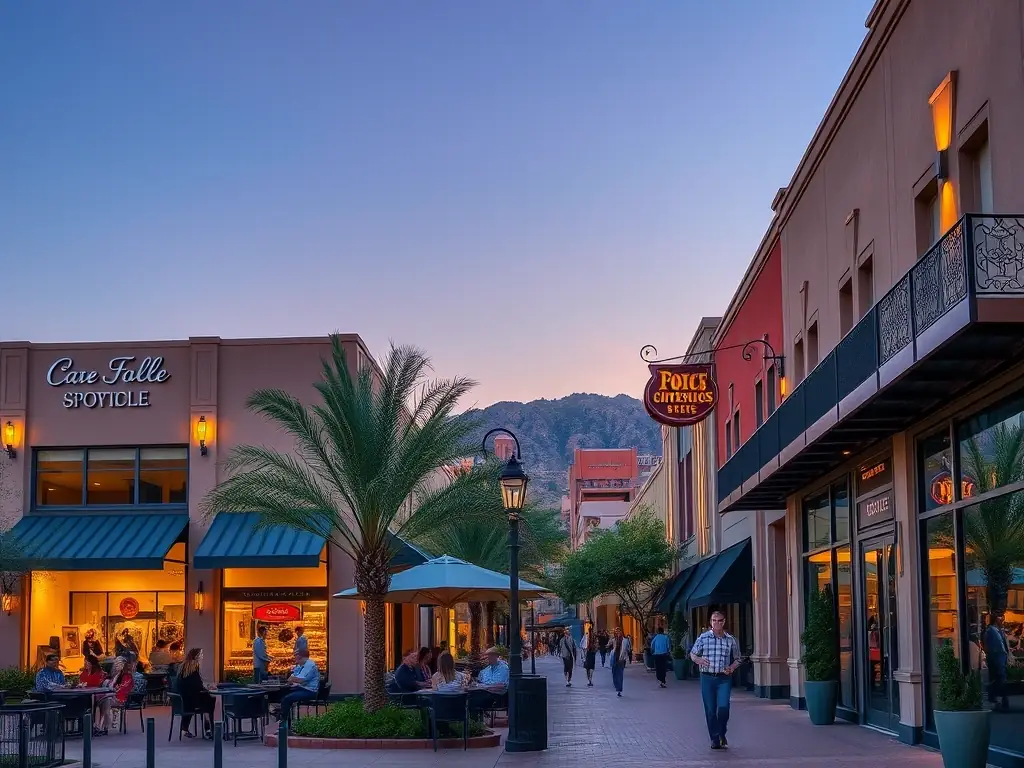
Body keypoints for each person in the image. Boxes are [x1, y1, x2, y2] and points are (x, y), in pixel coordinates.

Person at [690, 610, 742, 750]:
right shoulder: (703, 638)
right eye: (714, 620)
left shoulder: (730, 640)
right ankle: (715, 739)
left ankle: (721, 732)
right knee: (711, 710)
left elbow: (738, 659)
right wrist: (698, 660)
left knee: (723, 707)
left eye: (720, 621)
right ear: (710, 622)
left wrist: (731, 667)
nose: (717, 623)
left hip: (723, 678)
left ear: (724, 622)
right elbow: (693, 654)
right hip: (707, 678)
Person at [176, 648, 216, 738]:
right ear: (196, 657)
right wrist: (208, 688)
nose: (202, 656)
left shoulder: (183, 667)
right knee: (210, 700)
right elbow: (197, 685)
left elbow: (193, 684)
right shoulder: (194, 668)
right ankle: (208, 729)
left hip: (183, 699)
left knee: (206, 699)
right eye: (201, 654)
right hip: (191, 700)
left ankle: (184, 728)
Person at [279, 648, 320, 725]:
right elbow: (292, 677)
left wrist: (292, 679)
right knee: (282, 692)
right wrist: (292, 678)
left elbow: (301, 680)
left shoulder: (309, 665)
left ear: (301, 657)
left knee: (287, 699)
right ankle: (282, 712)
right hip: (303, 688)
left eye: (296, 657)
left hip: (310, 691)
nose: (295, 658)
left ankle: (284, 722)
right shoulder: (301, 665)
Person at [79, 655, 113, 736]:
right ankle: (86, 726)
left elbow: (96, 684)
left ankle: (97, 726)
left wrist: (85, 684)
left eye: (86, 662)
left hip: (98, 695)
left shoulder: (99, 673)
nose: (85, 663)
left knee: (96, 703)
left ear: (92, 663)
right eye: (85, 662)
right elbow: (82, 680)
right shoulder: (85, 672)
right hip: (86, 694)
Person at [984, 612, 1011, 711]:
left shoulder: (999, 631)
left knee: (1001, 679)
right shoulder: (989, 631)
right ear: (995, 620)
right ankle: (997, 699)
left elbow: (1003, 644)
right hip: (995, 658)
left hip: (1001, 657)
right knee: (997, 679)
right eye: (1000, 619)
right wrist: (991, 656)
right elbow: (987, 645)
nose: (1002, 621)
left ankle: (1002, 699)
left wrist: (1007, 655)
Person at [609, 628, 629, 697]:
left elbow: (627, 649)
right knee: (614, 673)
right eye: (616, 632)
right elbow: (608, 645)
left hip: (621, 659)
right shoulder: (613, 640)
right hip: (614, 657)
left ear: (621, 632)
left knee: (620, 674)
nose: (617, 633)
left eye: (619, 632)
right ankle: (617, 686)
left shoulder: (625, 641)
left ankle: (619, 689)